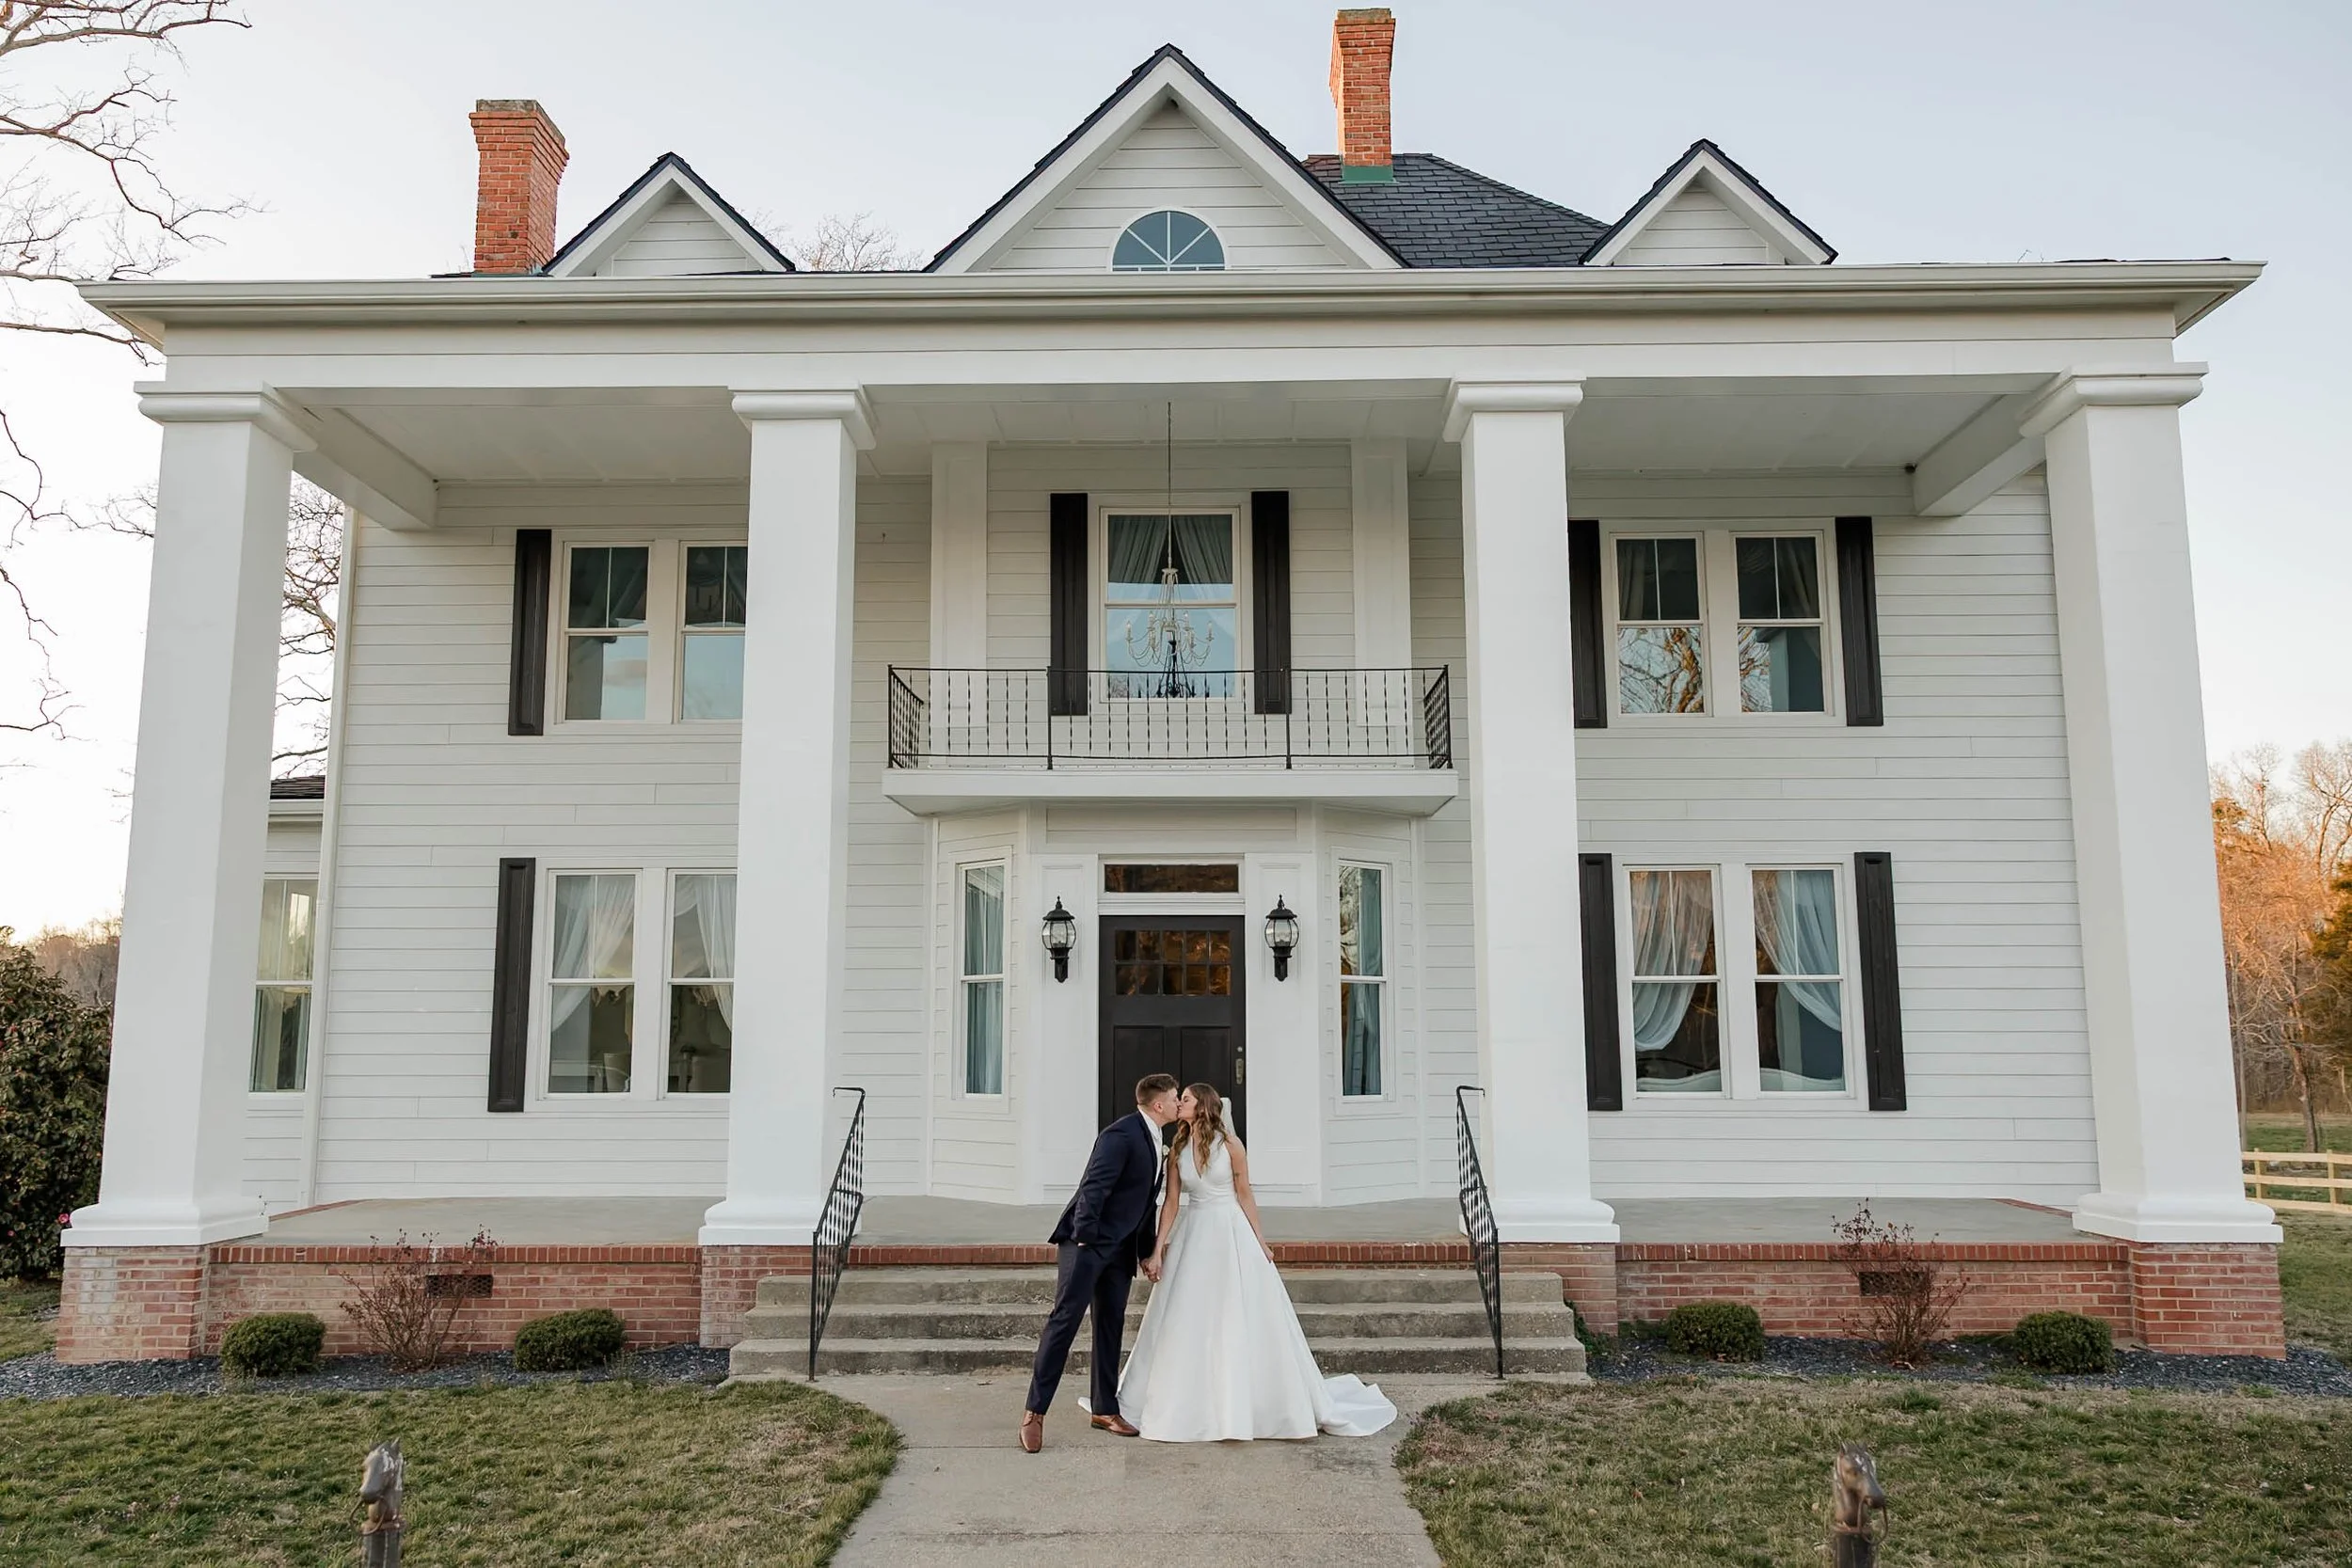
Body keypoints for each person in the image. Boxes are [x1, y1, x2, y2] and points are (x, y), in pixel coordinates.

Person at [1116, 1082, 1398, 1441]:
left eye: (1184, 1099)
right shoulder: (1178, 1151)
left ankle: (1249, 1403)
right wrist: (1158, 1249)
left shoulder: (1231, 1146)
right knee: (1189, 1313)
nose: (1178, 1104)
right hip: (1195, 1234)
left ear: (1202, 1105)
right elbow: (1171, 1203)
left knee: (1238, 1311)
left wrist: (1260, 1241)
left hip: (1231, 1233)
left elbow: (1245, 1194)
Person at [1019, 1071, 1180, 1452]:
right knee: (1064, 1323)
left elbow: (1144, 1204)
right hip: (1086, 1246)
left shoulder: (1157, 1140)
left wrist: (1144, 1251)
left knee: (1110, 1326)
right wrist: (1087, 1239)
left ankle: (1105, 1409)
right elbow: (1094, 1188)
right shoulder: (1120, 1135)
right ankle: (1034, 1413)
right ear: (1159, 1104)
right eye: (1175, 1097)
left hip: (1120, 1250)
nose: (1178, 1102)